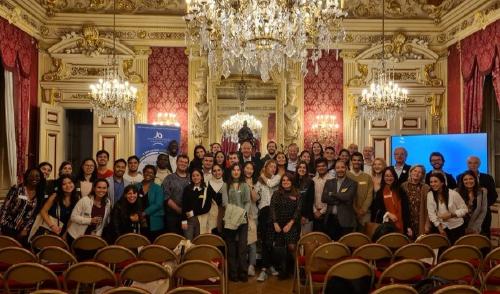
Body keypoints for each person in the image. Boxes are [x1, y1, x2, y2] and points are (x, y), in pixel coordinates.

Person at [0, 168, 46, 246]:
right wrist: (1, 225)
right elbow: (5, 208)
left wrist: (25, 229)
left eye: (37, 176)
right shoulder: (16, 189)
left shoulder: (40, 194)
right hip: (7, 226)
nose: (34, 178)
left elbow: (34, 215)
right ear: (27, 177)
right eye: (31, 175)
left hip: (23, 231)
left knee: (19, 254)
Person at [270, 173, 302, 279]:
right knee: (281, 249)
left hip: (292, 224)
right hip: (279, 224)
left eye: (288, 180)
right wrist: (275, 223)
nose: (285, 182)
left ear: (292, 181)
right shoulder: (276, 193)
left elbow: (298, 210)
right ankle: (284, 270)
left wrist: (290, 223)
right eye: (283, 180)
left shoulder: (297, 193)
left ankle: (299, 270)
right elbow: (272, 208)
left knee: (291, 247)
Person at [29, 175, 78, 241]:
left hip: (63, 230)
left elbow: (72, 219)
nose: (68, 186)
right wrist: (52, 226)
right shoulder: (55, 196)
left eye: (70, 182)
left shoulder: (76, 199)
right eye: (64, 184)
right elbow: (43, 211)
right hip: (49, 227)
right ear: (60, 186)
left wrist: (65, 233)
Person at [458, 156, 498, 237]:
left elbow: (493, 196)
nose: (473, 165)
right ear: (467, 164)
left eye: (475, 163)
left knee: (483, 240)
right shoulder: (460, 177)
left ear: (479, 164)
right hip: (465, 216)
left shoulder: (488, 177)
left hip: (484, 215)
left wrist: (482, 205)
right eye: (470, 163)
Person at [224, 163, 251, 282]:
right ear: (230, 172)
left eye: (238, 170)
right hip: (229, 219)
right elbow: (225, 203)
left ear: (241, 172)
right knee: (231, 247)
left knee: (242, 247)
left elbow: (248, 202)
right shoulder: (226, 185)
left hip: (242, 220)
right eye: (234, 170)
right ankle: (233, 273)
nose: (236, 172)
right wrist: (235, 214)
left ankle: (243, 272)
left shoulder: (244, 185)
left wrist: (241, 214)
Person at [255, 159, 281, 282]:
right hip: (263, 212)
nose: (273, 168)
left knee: (272, 241)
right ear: (266, 167)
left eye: (275, 167)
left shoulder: (277, 178)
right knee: (266, 240)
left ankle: (267, 267)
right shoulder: (259, 181)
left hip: (275, 212)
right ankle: (267, 267)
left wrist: (262, 176)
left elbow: (270, 184)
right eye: (271, 166)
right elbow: (256, 196)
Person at [427, 172, 468, 245]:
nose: (433, 184)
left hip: (457, 227)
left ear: (442, 183)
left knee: (457, 251)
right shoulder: (430, 195)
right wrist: (440, 230)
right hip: (440, 227)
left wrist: (451, 215)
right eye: (431, 182)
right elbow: (431, 214)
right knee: (442, 252)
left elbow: (464, 210)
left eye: (435, 181)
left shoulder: (453, 193)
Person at [322, 160, 358, 240]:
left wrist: (332, 194)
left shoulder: (352, 183)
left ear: (346, 168)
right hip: (330, 219)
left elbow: (348, 197)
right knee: (332, 246)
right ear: (335, 170)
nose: (340, 169)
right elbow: (324, 198)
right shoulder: (329, 182)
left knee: (345, 247)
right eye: (337, 167)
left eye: (342, 167)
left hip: (346, 221)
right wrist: (340, 199)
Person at [67, 179, 112, 243]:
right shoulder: (84, 200)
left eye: (104, 188)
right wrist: (90, 220)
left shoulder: (107, 202)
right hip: (76, 236)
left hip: (93, 238)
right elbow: (73, 217)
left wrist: (97, 235)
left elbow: (103, 223)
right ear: (94, 188)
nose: (101, 190)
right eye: (99, 187)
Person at [371, 167, 411, 236]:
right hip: (385, 227)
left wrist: (408, 227)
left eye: (391, 176)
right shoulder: (379, 193)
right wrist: (387, 214)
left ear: (394, 176)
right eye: (386, 176)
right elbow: (376, 209)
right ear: (383, 177)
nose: (389, 178)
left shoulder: (400, 190)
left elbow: (406, 210)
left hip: (401, 224)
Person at [162, 155, 190, 234]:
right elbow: (165, 196)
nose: (183, 164)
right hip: (172, 216)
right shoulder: (169, 178)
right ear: (176, 162)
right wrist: (179, 209)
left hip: (189, 216)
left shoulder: (192, 178)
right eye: (181, 161)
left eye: (186, 162)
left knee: (187, 241)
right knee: (173, 241)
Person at [137, 165, 165, 242]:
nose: (148, 174)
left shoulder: (158, 188)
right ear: (143, 173)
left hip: (154, 221)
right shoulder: (136, 186)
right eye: (146, 172)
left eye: (151, 173)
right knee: (140, 244)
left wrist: (144, 213)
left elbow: (158, 204)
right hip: (138, 221)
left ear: (154, 175)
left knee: (154, 246)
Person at [401, 165, 430, 237]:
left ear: (423, 175)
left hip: (421, 220)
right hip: (407, 220)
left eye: (420, 172)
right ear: (410, 172)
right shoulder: (403, 186)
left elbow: (430, 208)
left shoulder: (426, 188)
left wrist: (427, 224)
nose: (417, 173)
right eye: (415, 171)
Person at [456, 170, 487, 235]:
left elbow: (483, 211)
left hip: (475, 225)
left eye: (471, 179)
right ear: (462, 181)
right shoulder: (456, 192)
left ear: (475, 180)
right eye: (465, 179)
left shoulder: (482, 191)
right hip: (459, 225)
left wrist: (475, 227)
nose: (468, 181)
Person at [348, 152, 373, 228]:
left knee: (365, 236)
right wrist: (355, 210)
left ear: (362, 162)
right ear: (351, 161)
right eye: (354, 160)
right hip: (349, 212)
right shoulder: (346, 175)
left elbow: (370, 195)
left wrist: (363, 209)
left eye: (359, 160)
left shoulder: (367, 177)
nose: (357, 162)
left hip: (365, 213)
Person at [181, 169, 208, 240]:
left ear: (201, 177)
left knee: (198, 242)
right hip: (189, 220)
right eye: (193, 176)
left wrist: (193, 213)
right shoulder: (187, 189)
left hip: (202, 220)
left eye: (197, 175)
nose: (195, 177)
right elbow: (184, 206)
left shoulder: (206, 189)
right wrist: (183, 221)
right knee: (188, 241)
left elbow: (207, 208)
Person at [243, 161, 258, 277]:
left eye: (251, 169)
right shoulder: (237, 181)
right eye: (247, 168)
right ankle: (242, 265)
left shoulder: (256, 182)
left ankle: (251, 265)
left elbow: (255, 199)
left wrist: (251, 186)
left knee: (252, 242)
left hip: (253, 215)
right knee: (242, 242)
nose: (249, 170)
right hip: (240, 215)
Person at [312, 158, 334, 233]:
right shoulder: (313, 180)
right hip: (314, 213)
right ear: (316, 168)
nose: (321, 168)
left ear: (327, 166)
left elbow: (332, 198)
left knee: (327, 237)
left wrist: (321, 212)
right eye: (318, 166)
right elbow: (310, 197)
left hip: (328, 213)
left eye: (323, 166)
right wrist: (315, 210)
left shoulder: (332, 180)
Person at [206, 164, 227, 235]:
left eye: (219, 170)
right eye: (214, 171)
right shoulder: (207, 184)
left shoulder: (226, 184)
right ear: (212, 172)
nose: (217, 172)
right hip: (210, 215)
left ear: (222, 171)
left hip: (222, 216)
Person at [295, 161, 315, 234]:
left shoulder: (310, 182)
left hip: (306, 216)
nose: (302, 169)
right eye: (300, 167)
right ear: (297, 169)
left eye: (304, 168)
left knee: (305, 239)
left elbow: (310, 201)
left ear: (307, 170)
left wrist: (304, 216)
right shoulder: (294, 181)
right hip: (294, 216)